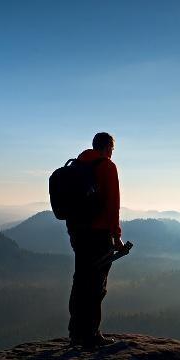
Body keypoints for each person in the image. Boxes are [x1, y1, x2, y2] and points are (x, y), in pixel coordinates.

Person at [67, 132, 124, 347]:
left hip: (77, 234)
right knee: (96, 284)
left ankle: (75, 332)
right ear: (108, 147)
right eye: (112, 149)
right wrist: (116, 237)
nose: (111, 153)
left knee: (80, 280)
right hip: (98, 235)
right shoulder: (107, 167)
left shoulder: (77, 164)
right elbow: (112, 205)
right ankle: (91, 334)